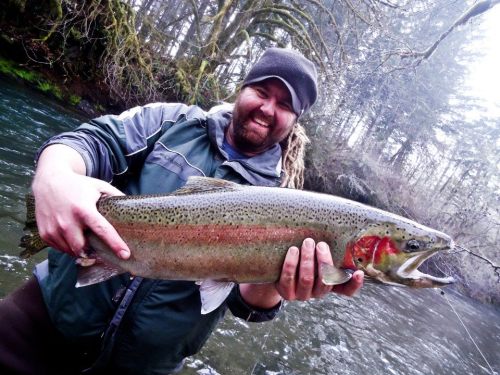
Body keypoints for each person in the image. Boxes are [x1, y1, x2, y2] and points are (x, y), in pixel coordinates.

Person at [0, 47, 364, 374]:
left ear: (295, 121)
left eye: (285, 105)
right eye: (262, 92)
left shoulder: (282, 201)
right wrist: (54, 175)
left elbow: (247, 301)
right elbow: (94, 141)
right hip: (40, 324)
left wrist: (280, 285)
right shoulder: (172, 122)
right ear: (242, 89)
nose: (268, 108)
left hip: (145, 368)